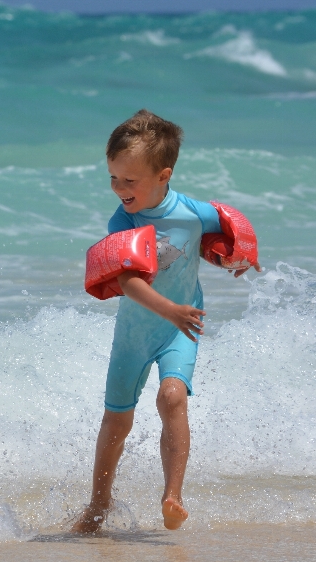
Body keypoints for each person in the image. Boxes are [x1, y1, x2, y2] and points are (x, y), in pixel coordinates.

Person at [73, 110, 260, 533]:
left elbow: (228, 236)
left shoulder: (195, 214)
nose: (120, 189)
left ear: (163, 175)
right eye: (113, 178)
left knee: (172, 398)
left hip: (181, 329)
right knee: (116, 421)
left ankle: (172, 495)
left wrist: (244, 256)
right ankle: (97, 506)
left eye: (129, 180)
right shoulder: (123, 221)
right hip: (136, 333)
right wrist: (171, 310)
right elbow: (127, 280)